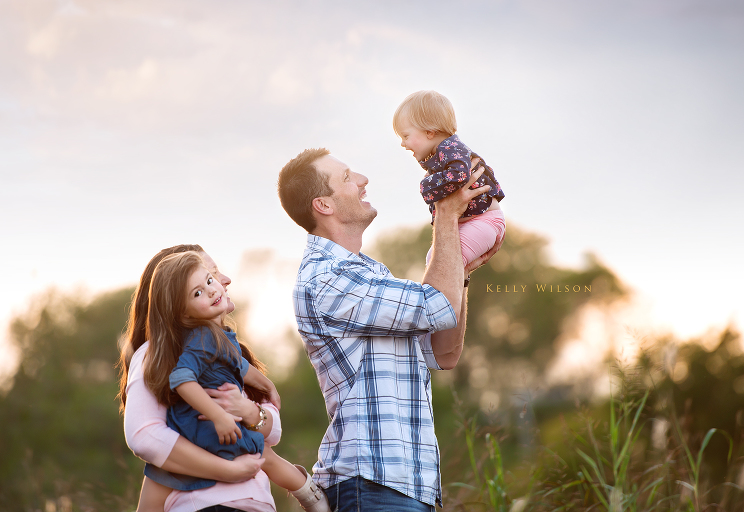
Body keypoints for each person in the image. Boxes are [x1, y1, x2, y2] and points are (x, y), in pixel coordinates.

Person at [276, 148, 503, 511]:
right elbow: (435, 306)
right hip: (371, 484)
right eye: (348, 177)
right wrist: (445, 215)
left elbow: (443, 352)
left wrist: (463, 273)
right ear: (324, 205)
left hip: (406, 485)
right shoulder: (328, 277)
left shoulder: (370, 273)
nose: (363, 180)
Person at [118, 245, 317, 512]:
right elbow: (144, 436)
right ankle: (314, 496)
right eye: (209, 275)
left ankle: (313, 495)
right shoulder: (157, 353)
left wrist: (248, 410)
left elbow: (274, 430)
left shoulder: (229, 349)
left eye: (211, 277)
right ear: (177, 305)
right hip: (204, 504)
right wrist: (227, 470)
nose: (224, 280)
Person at [393, 90, 506, 267]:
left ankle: (452, 286)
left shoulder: (451, 148)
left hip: (484, 220)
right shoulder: (442, 155)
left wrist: (426, 186)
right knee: (434, 260)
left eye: (405, 136)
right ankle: (459, 285)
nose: (402, 143)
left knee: (445, 264)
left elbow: (458, 176)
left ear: (429, 132)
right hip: (471, 223)